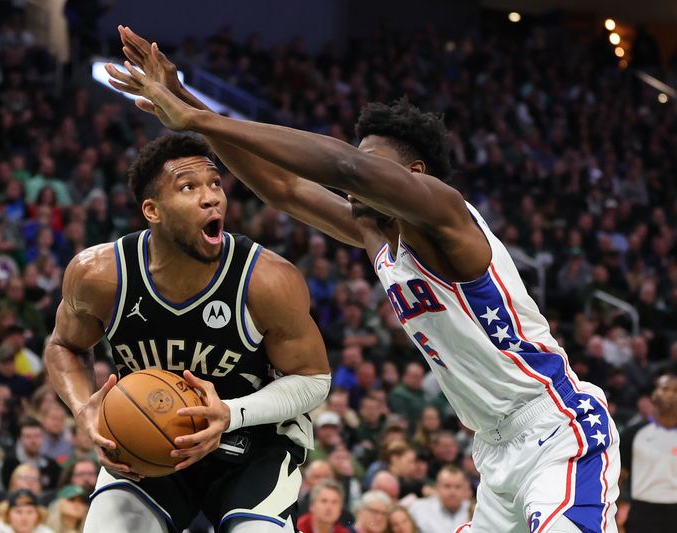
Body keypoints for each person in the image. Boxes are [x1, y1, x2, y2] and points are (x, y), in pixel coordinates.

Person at [108, 28, 620, 533]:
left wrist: (196, 117)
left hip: (558, 429)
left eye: (374, 163)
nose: (359, 172)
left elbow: (344, 167)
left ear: (414, 174)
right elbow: (284, 187)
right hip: (494, 450)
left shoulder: (446, 214)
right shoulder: (377, 233)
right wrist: (186, 103)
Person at [43, 132, 331, 533]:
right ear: (152, 210)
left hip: (254, 446)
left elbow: (314, 379)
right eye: (189, 187)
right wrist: (82, 408)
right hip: (148, 446)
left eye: (215, 184)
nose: (211, 197)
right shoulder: (100, 274)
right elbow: (64, 346)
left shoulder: (267, 280)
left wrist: (231, 413)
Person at [619, 374, 677, 530]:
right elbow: (619, 475)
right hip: (642, 510)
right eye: (665, 389)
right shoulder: (633, 433)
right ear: (654, 396)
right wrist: (619, 505)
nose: (670, 395)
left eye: (675, 390)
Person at [407, 466, 470, 533]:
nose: (452, 492)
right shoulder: (418, 509)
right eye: (447, 486)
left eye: (457, 487)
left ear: (465, 489)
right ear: (437, 487)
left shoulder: (475, 511)